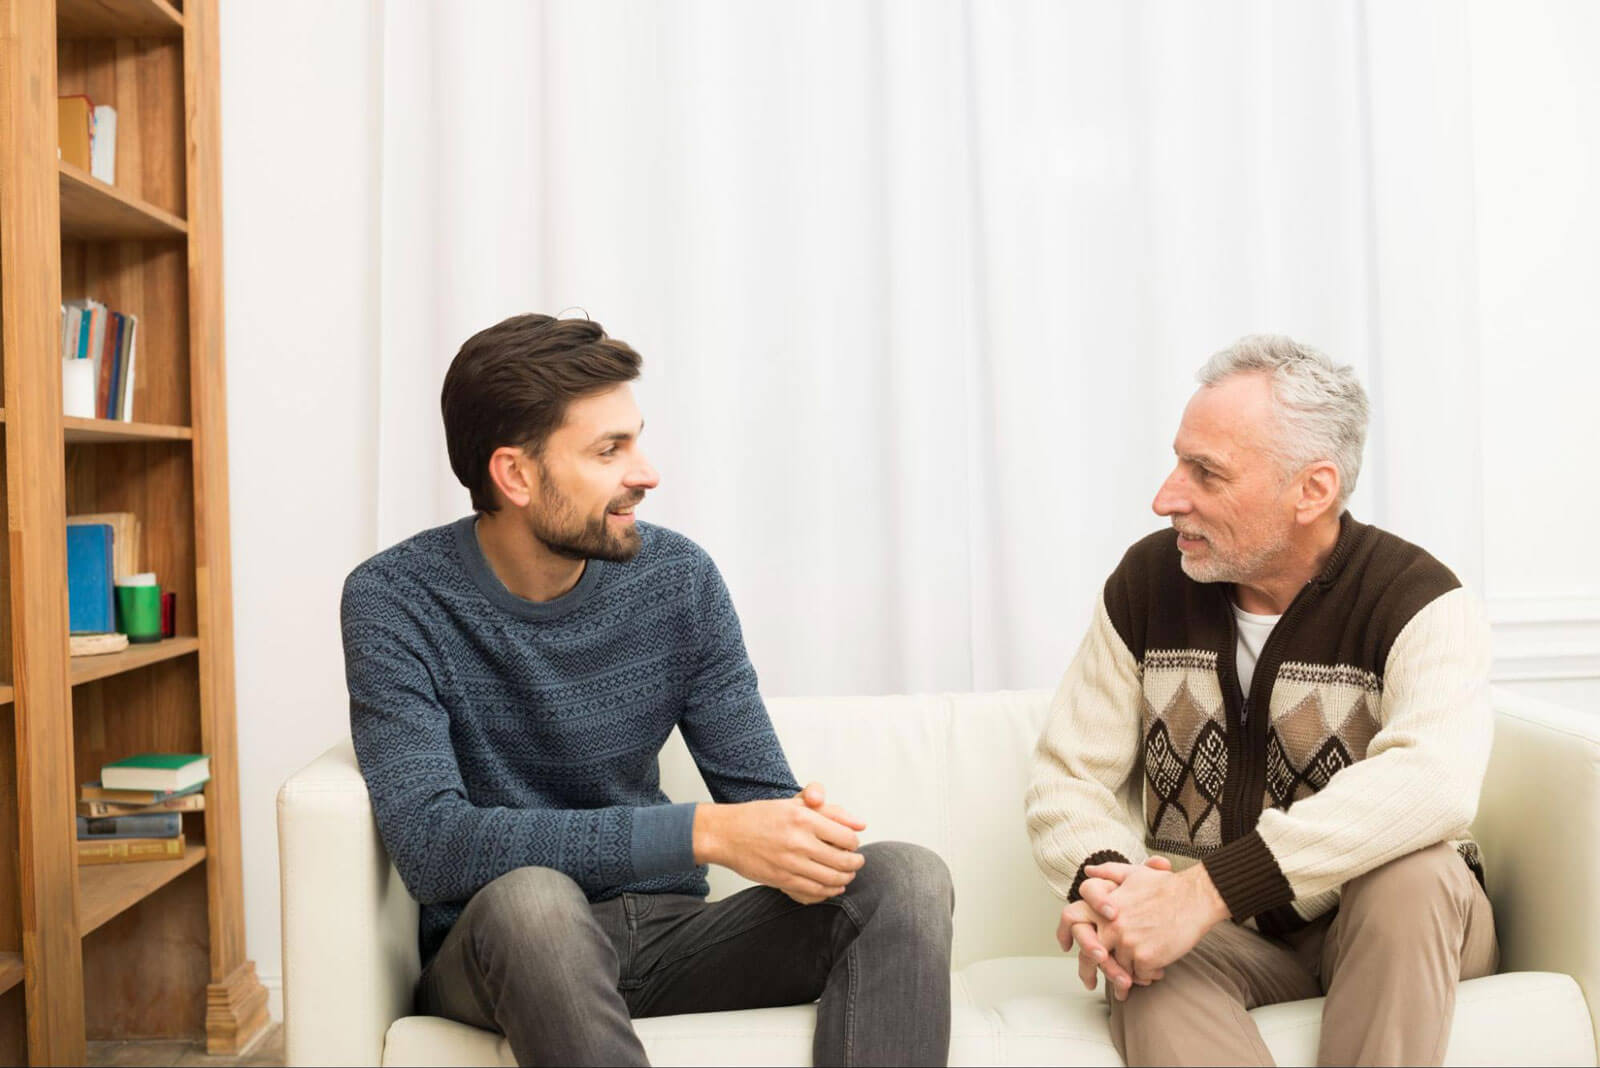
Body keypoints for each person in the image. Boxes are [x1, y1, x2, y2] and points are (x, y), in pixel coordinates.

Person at [341, 313, 954, 1067]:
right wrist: (703, 833)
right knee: (535, 903)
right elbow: (434, 849)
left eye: (636, 439)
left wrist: (800, 832)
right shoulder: (395, 599)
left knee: (905, 879)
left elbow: (761, 796)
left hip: (671, 938)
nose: (647, 472)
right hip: (508, 949)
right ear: (516, 476)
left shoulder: (678, 581)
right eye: (609, 450)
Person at [1026, 334, 1497, 1066]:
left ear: (1312, 489)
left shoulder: (1417, 600)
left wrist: (1207, 891)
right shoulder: (1148, 586)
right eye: (1178, 460)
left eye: (1204, 472)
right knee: (1145, 956)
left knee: (1414, 873)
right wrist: (1114, 890)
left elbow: (1434, 781)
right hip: (1234, 944)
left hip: (1391, 928)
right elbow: (1068, 775)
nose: (1165, 496)